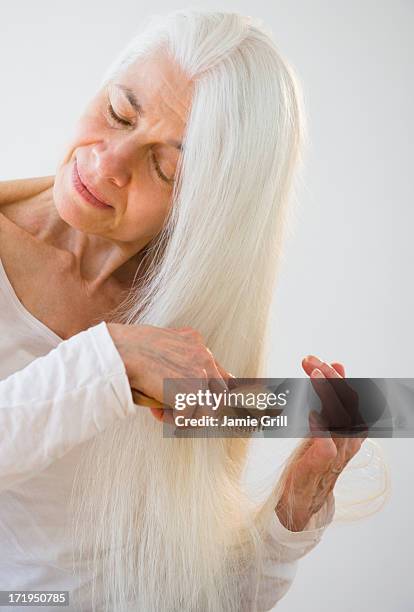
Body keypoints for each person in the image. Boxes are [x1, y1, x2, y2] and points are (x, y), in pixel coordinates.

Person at [0, 9, 372, 612]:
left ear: (207, 210)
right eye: (119, 111)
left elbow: (183, 595)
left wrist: (288, 522)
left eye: (165, 167)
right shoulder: (135, 353)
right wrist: (108, 363)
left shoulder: (186, 339)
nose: (107, 162)